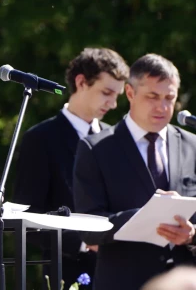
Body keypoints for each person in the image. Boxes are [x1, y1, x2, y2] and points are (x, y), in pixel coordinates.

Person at [74, 54, 196, 290]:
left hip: (184, 281)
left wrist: (191, 236)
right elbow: (88, 227)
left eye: (169, 98)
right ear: (130, 93)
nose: (162, 107)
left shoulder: (193, 146)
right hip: (125, 282)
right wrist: (142, 217)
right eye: (152, 97)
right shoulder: (96, 148)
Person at [13, 48, 129, 288]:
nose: (113, 103)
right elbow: (25, 219)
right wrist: (86, 242)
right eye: (106, 92)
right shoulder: (41, 139)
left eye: (116, 95)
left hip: (121, 272)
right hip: (66, 273)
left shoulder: (117, 138)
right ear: (81, 82)